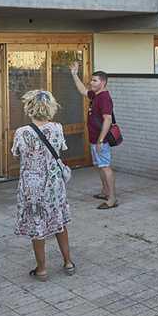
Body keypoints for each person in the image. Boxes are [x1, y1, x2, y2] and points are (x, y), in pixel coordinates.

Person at [12, 90, 75, 280]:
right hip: (54, 183)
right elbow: (61, 149)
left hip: (32, 184)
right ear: (51, 108)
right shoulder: (57, 128)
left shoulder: (22, 132)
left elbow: (16, 154)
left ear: (29, 108)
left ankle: (42, 269)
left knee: (37, 224)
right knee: (59, 220)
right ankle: (68, 262)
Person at [68, 63, 118, 209]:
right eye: (91, 80)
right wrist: (74, 74)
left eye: (94, 80)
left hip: (100, 140)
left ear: (102, 82)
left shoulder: (104, 98)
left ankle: (112, 198)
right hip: (94, 139)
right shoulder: (95, 95)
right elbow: (83, 91)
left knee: (105, 167)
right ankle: (105, 191)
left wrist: (101, 140)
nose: (91, 82)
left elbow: (107, 119)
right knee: (100, 166)